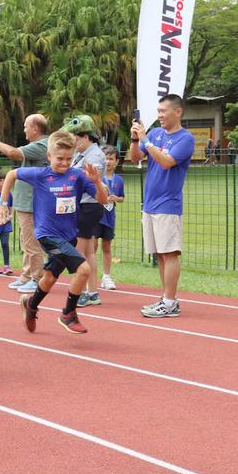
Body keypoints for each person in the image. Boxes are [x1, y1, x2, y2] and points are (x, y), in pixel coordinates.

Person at [0, 130, 109, 335]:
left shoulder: (78, 176)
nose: (64, 163)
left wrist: (97, 181)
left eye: (68, 159)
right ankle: (68, 313)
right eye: (59, 159)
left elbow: (102, 199)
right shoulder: (40, 175)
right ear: (49, 156)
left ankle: (31, 304)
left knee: (49, 277)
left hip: (69, 237)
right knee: (83, 270)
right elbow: (12, 174)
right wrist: (3, 203)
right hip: (47, 235)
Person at [130, 94, 195, 318]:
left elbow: (167, 162)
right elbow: (135, 158)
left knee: (170, 253)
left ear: (177, 112)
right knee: (159, 254)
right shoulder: (155, 134)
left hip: (168, 204)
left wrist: (146, 139)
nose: (159, 116)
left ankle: (169, 301)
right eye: (158, 112)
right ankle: (167, 298)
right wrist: (135, 139)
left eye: (163, 111)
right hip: (150, 203)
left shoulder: (185, 139)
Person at [0, 115, 49, 294]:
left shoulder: (42, 145)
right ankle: (27, 275)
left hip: (32, 203)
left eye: (26, 126)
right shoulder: (35, 146)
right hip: (25, 203)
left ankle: (37, 278)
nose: (24, 130)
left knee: (32, 242)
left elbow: (13, 153)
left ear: (35, 128)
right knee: (25, 241)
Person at [61, 114, 106, 308]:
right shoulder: (82, 154)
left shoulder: (94, 155)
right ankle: (92, 292)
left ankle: (78, 292)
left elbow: (86, 178)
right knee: (88, 252)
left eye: (76, 138)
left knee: (78, 253)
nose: (74, 143)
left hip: (89, 205)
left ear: (86, 137)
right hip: (85, 205)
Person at [98, 145, 125, 291]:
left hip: (109, 217)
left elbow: (122, 198)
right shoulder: (97, 177)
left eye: (111, 159)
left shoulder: (119, 180)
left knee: (107, 246)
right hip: (96, 217)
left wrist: (116, 198)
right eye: (105, 159)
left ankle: (106, 276)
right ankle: (89, 276)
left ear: (116, 161)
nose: (108, 162)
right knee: (92, 246)